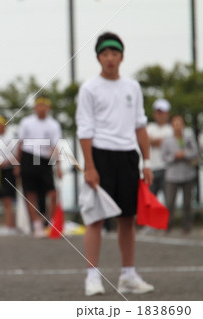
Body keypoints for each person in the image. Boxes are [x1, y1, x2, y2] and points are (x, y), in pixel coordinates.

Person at [76, 32, 154, 296]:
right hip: (100, 155)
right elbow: (84, 129)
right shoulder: (89, 88)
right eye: (104, 54)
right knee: (95, 219)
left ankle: (128, 275)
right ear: (99, 57)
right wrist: (90, 166)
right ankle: (92, 277)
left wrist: (147, 162)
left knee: (127, 219)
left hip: (128, 157)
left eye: (114, 53)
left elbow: (140, 126)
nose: (110, 58)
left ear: (122, 56)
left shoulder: (132, 87)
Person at [16, 95, 62, 238]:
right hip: (29, 157)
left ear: (48, 108)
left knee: (52, 192)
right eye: (38, 105)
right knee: (30, 193)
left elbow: (55, 146)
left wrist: (58, 166)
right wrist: (17, 163)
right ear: (35, 108)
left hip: (44, 160)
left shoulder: (54, 125)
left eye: (44, 105)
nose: (41, 108)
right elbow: (20, 143)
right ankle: (36, 225)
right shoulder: (26, 122)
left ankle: (51, 222)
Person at [162, 115, 199, 234]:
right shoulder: (167, 140)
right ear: (172, 126)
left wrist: (184, 154)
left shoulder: (188, 138)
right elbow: (164, 157)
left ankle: (187, 226)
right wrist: (174, 156)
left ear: (183, 125)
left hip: (188, 173)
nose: (177, 127)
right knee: (169, 202)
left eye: (180, 124)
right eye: (175, 124)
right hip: (172, 175)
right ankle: (167, 226)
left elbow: (195, 152)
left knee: (187, 202)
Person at [0, 115, 17, 234]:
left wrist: (1, 164)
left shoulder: (11, 137)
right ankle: (9, 226)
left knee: (9, 199)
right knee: (5, 200)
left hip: (11, 170)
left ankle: (11, 226)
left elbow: (16, 157)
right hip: (1, 171)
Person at [147, 99, 173, 197]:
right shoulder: (149, 127)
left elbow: (170, 145)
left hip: (167, 169)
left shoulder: (171, 129)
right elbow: (145, 141)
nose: (160, 115)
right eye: (158, 112)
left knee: (169, 200)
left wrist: (153, 141)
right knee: (151, 200)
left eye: (162, 112)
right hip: (151, 169)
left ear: (167, 114)